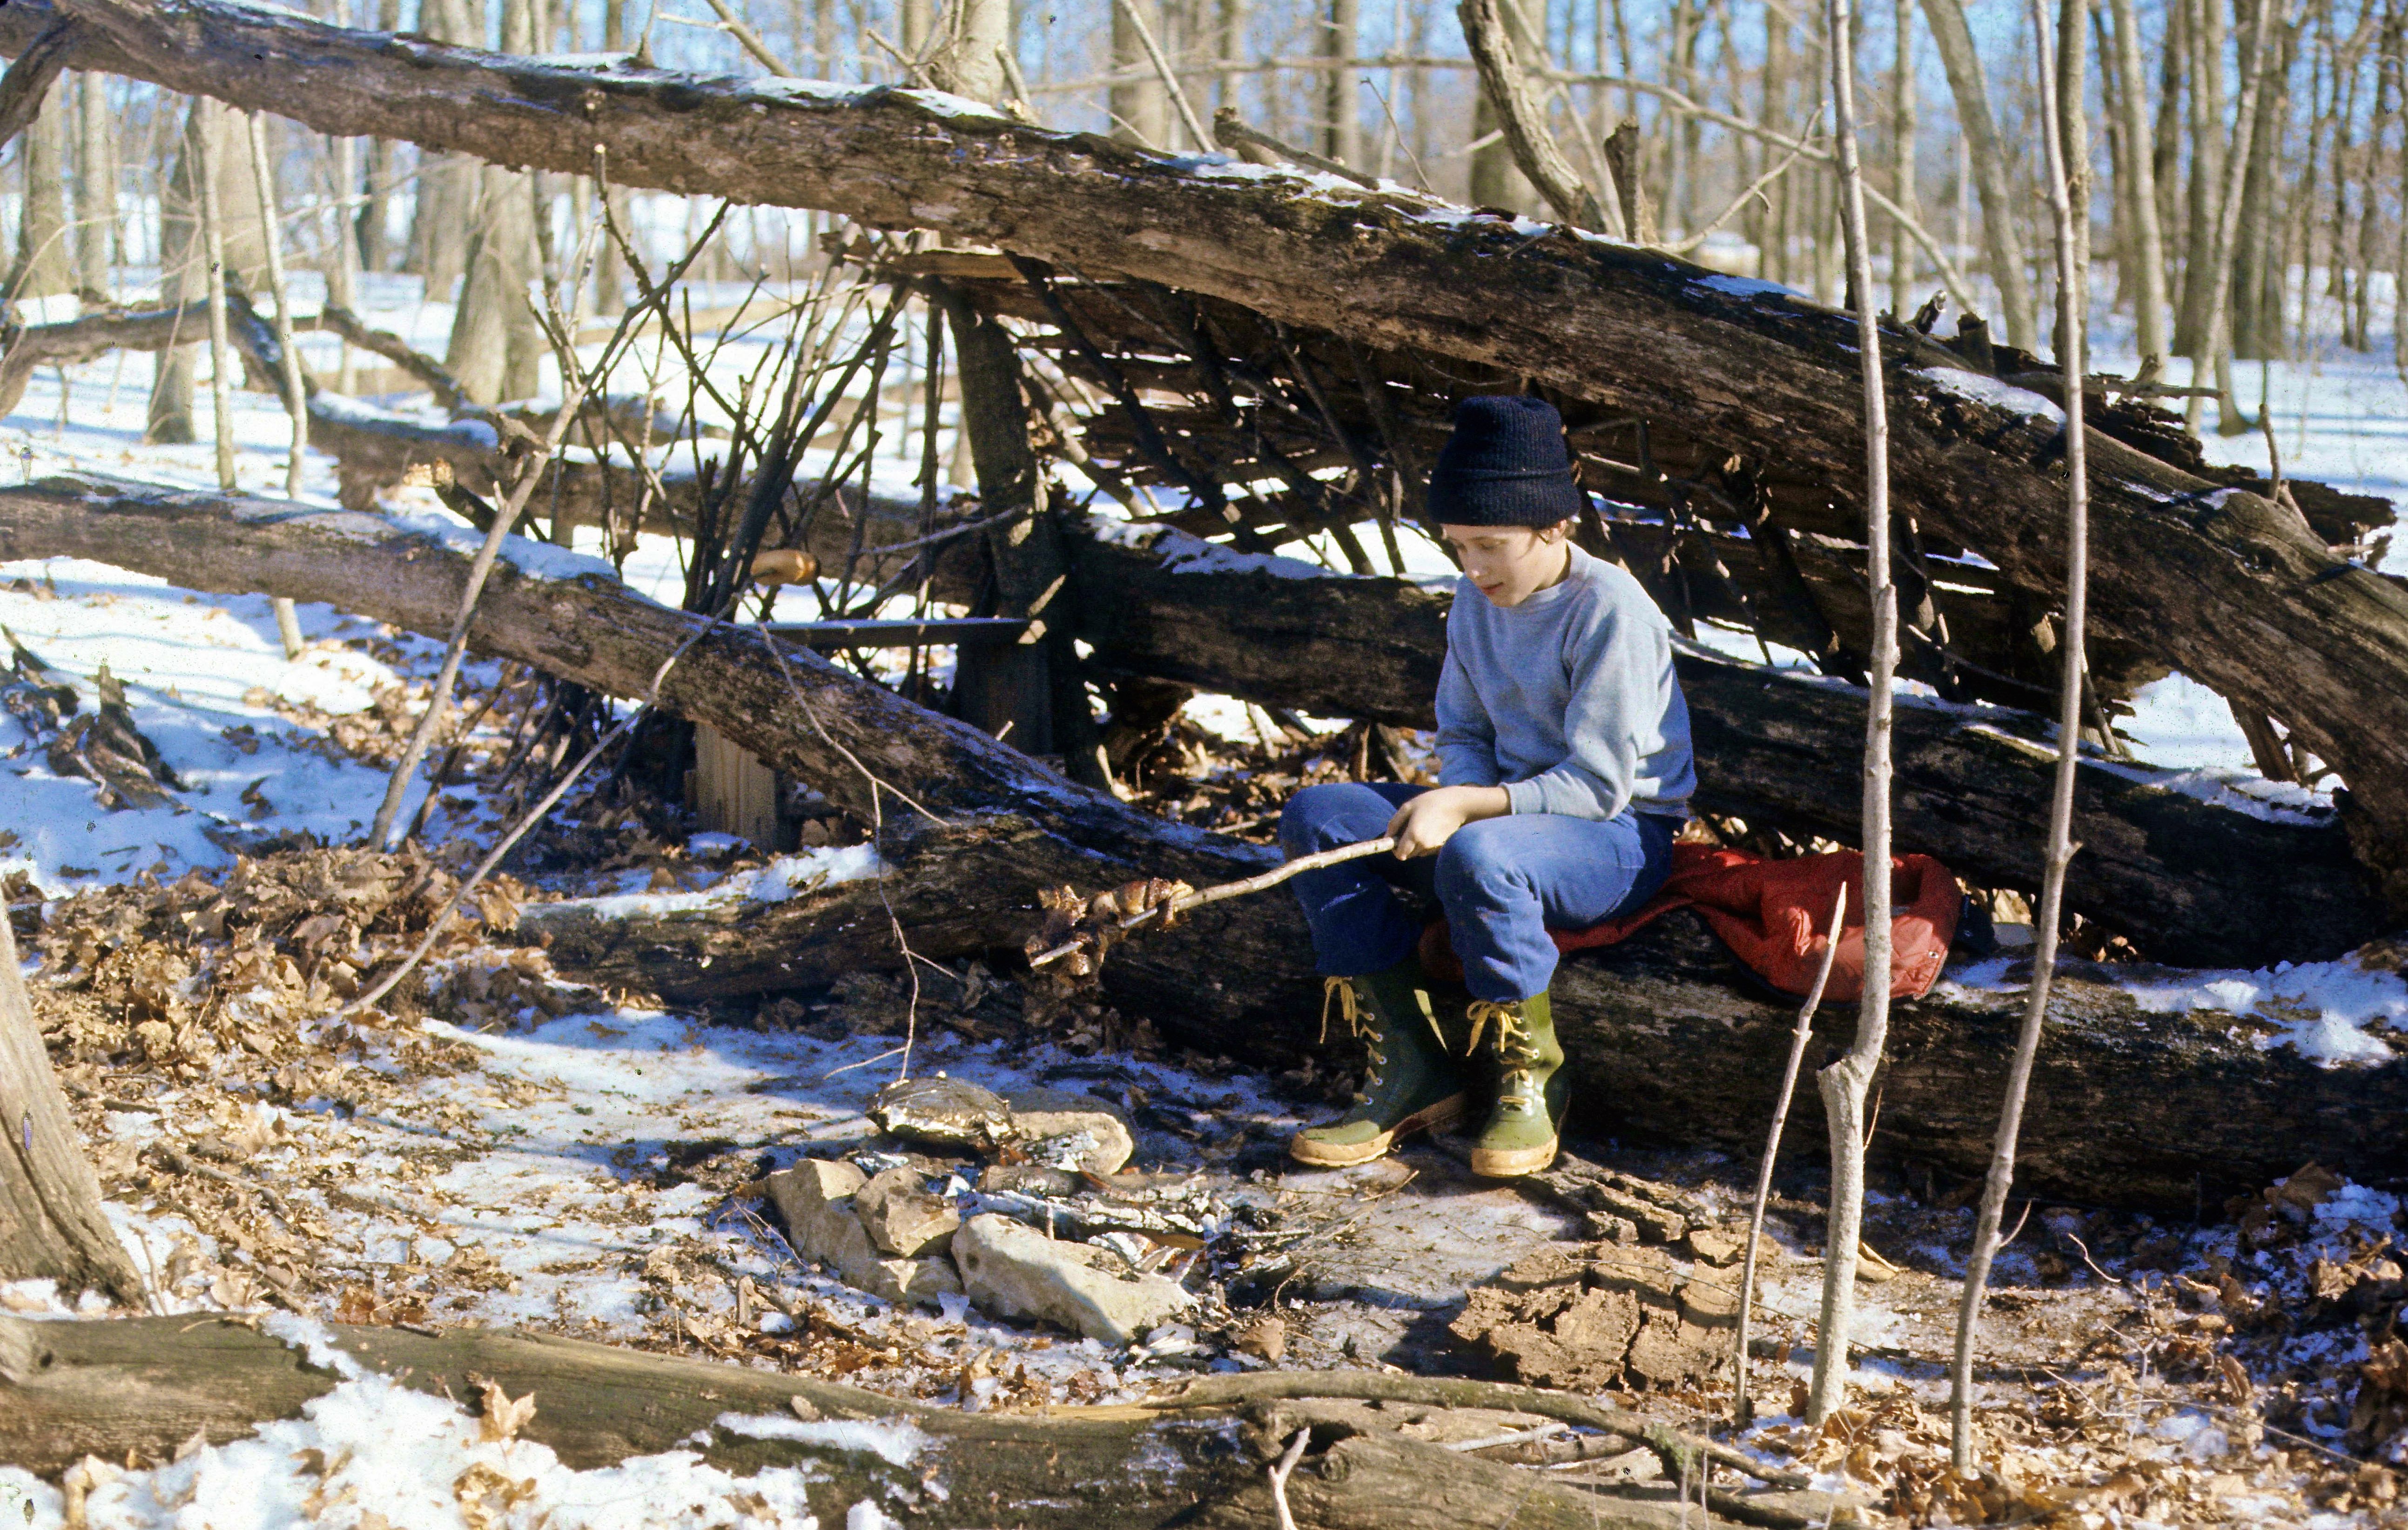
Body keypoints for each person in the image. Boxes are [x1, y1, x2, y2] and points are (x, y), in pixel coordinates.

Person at [1279, 395, 1694, 1179]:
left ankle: (1529, 1076)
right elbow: (1465, 734)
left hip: (1617, 839)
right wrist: (1460, 800)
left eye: (1492, 546)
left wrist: (1467, 812)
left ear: (1555, 526)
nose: (1473, 568)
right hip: (1505, 831)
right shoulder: (1476, 602)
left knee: (1482, 856)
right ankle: (1412, 1068)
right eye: (1459, 546)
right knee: (1321, 814)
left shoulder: (1609, 610)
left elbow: (1599, 785)